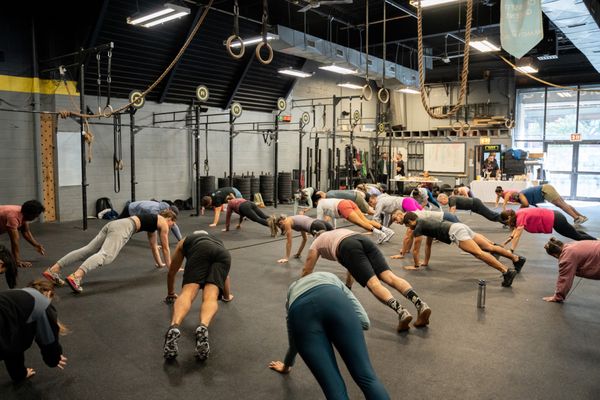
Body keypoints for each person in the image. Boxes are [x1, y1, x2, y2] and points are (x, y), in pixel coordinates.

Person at [268, 272, 390, 399]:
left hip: (301, 313)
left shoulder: (292, 291)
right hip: (334, 299)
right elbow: (365, 322)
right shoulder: (331, 277)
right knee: (367, 377)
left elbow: (293, 339)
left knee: (333, 387)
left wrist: (287, 365)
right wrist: (339, 329)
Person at [301, 229, 431, 332]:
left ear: (316, 235)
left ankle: (402, 312)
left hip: (347, 246)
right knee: (389, 276)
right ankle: (420, 304)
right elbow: (350, 267)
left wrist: (302, 292)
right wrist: (348, 287)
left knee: (373, 284)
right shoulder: (337, 232)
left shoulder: (316, 242)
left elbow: (307, 270)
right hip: (362, 239)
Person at [42, 210, 177, 293]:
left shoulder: (153, 221)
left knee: (87, 250)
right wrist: (172, 268)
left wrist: (160, 264)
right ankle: (76, 276)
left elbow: (154, 246)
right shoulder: (164, 223)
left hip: (116, 223)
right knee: (107, 256)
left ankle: (53, 270)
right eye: (173, 224)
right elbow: (165, 248)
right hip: (125, 227)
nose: (172, 227)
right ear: (170, 219)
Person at [163, 231, 233, 361]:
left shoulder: (185, 240)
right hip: (224, 255)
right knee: (211, 296)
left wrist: (171, 293)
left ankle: (174, 326)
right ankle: (203, 326)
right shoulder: (217, 240)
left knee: (188, 292)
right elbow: (226, 277)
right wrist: (227, 296)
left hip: (200, 251)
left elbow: (172, 271)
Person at [401, 212, 523, 286]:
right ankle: (516, 259)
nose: (408, 228)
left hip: (455, 232)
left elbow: (416, 250)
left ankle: (506, 271)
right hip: (458, 226)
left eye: (407, 225)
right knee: (489, 247)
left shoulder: (418, 227)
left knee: (479, 253)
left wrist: (416, 265)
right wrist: (426, 262)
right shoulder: (425, 221)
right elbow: (428, 244)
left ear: (411, 221)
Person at [0, 280, 68, 382]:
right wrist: (54, 359)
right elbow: (48, 340)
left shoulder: (16, 295)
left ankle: (18, 374)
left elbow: (15, 343)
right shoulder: (41, 303)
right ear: (49, 293)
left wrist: (20, 374)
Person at [119, 200, 182, 268]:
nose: (173, 225)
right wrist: (170, 266)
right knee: (118, 224)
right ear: (169, 213)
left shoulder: (163, 215)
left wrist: (181, 240)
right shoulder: (155, 212)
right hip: (131, 208)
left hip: (140, 219)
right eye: (173, 221)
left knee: (153, 244)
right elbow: (165, 247)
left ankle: (160, 264)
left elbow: (172, 226)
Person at [500, 208, 596, 252]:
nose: (506, 223)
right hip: (555, 216)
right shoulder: (517, 214)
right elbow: (514, 232)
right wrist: (505, 243)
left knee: (576, 236)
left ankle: (596, 242)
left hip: (556, 219)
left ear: (509, 217)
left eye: (506, 221)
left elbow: (517, 236)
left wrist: (511, 250)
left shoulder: (520, 217)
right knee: (575, 233)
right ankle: (596, 240)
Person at [543, 237, 600, 302]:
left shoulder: (567, 257)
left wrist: (558, 296)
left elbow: (564, 278)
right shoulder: (571, 244)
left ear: (555, 255)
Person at [315, 198, 395, 244]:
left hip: (343, 206)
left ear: (315, 202)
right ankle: (388, 231)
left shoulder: (319, 205)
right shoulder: (326, 201)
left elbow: (318, 221)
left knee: (360, 223)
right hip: (348, 202)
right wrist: (334, 228)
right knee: (365, 220)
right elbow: (333, 218)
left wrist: (316, 234)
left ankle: (380, 234)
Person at [389, 209, 459, 259]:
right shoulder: (409, 217)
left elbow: (407, 237)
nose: (395, 222)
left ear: (400, 214)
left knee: (463, 235)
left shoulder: (409, 218)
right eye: (394, 221)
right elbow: (410, 236)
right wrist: (407, 250)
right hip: (444, 220)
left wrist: (402, 254)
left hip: (447, 218)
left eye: (395, 219)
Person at [268, 214, 333, 263]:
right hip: (320, 222)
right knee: (336, 239)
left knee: (326, 246)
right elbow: (304, 239)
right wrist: (298, 253)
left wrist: (286, 258)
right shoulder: (294, 219)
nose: (282, 228)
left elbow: (289, 242)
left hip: (315, 226)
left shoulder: (287, 222)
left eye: (281, 226)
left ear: (281, 222)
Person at [0, 200, 46, 268]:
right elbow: (14, 241)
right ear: (30, 214)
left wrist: (36, 245)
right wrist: (17, 261)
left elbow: (25, 232)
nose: (36, 217)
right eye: (36, 215)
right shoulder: (13, 217)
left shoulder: (23, 213)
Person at [518, 184, 587, 225]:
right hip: (547, 188)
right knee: (564, 204)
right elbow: (532, 206)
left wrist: (516, 216)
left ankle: (577, 218)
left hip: (545, 191)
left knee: (561, 205)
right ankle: (581, 217)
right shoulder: (523, 195)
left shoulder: (520, 196)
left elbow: (524, 206)